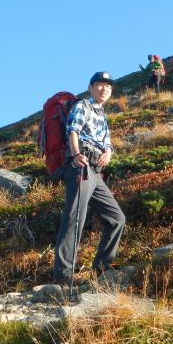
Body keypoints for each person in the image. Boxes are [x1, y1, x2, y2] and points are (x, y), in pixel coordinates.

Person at [53, 71, 125, 288]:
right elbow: (72, 130)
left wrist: (109, 153)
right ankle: (63, 277)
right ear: (91, 87)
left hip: (96, 170)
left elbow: (108, 143)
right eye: (100, 85)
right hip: (81, 165)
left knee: (117, 219)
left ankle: (100, 271)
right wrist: (76, 155)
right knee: (75, 217)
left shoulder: (102, 114)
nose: (105, 89)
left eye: (108, 87)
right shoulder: (83, 105)